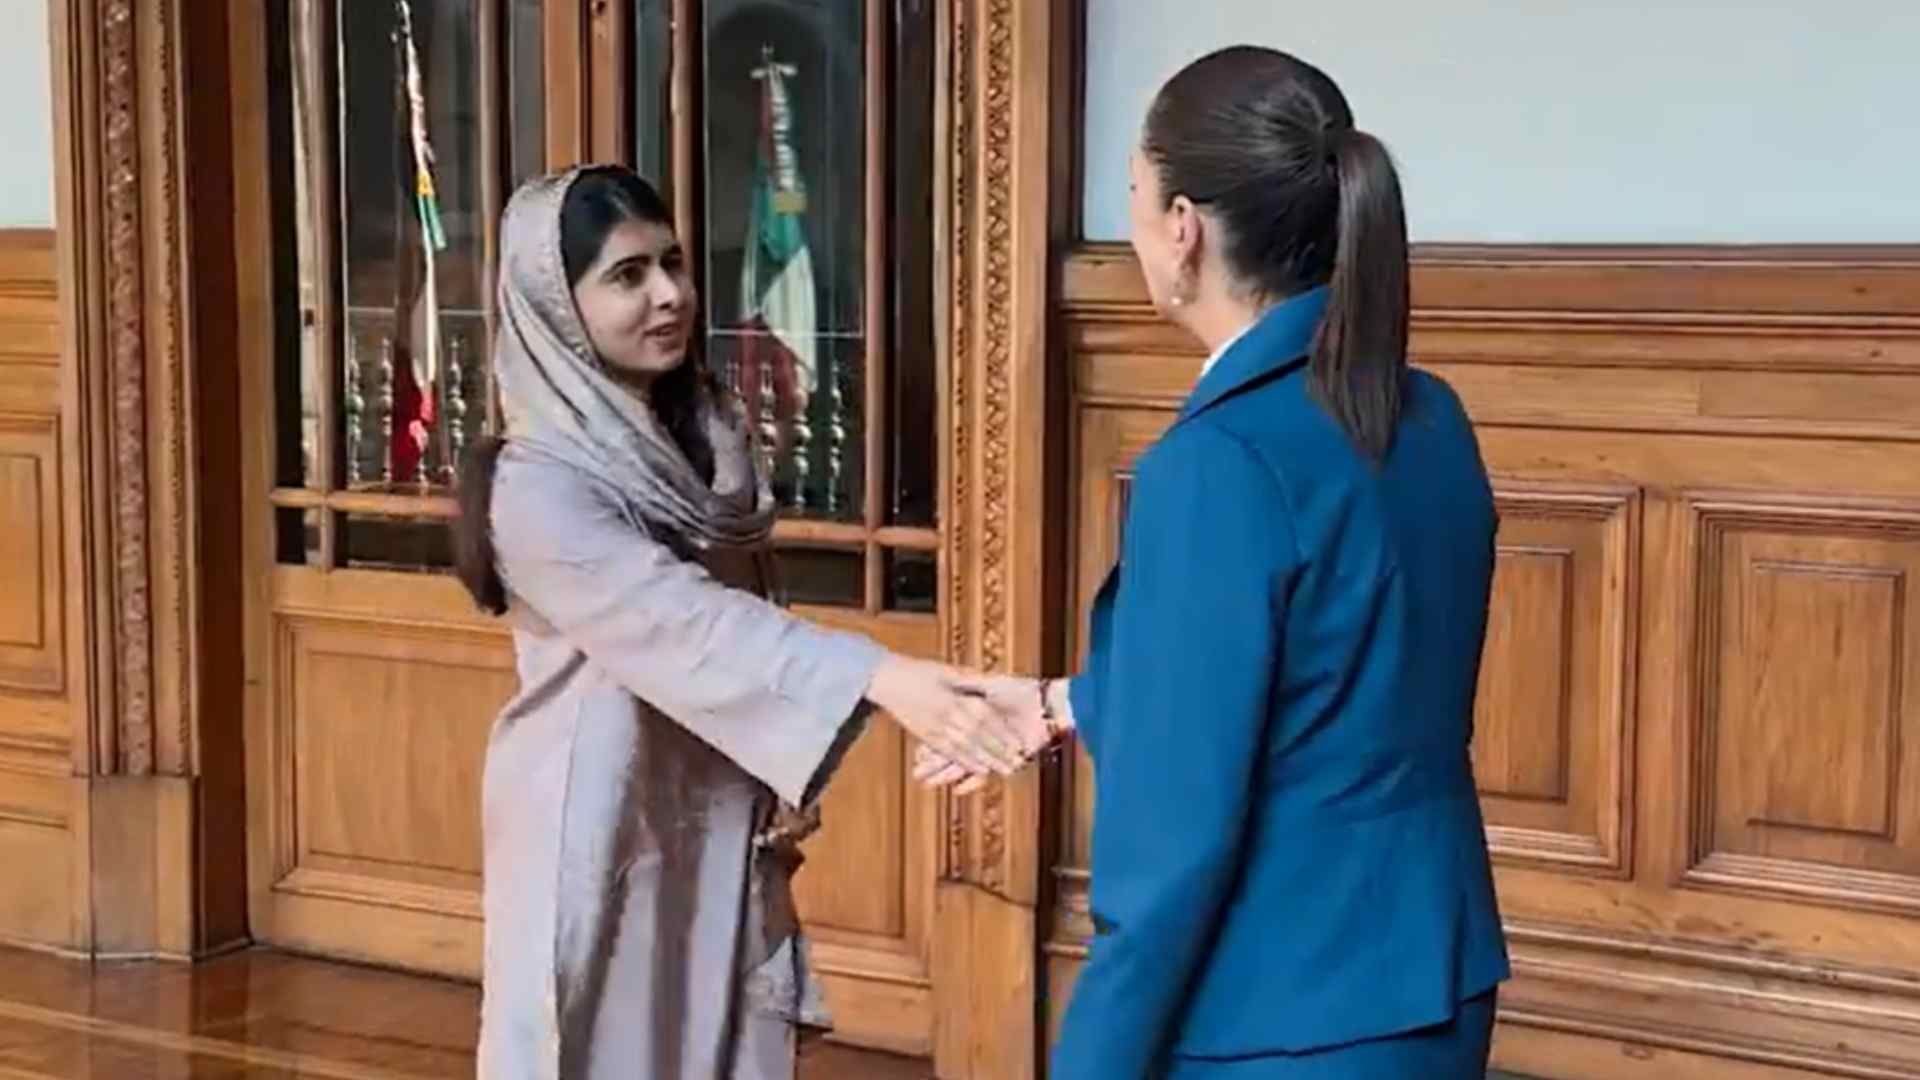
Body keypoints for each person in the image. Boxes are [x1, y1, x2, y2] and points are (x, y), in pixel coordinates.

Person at [919, 45, 1509, 1077]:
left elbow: (1169, 854)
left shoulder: (1218, 462)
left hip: (1279, 1011)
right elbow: (1334, 684)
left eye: (1134, 195)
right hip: (1434, 974)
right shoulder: (1429, 414)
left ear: (1182, 228)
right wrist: (1066, 703)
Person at [453, 165, 1045, 1079]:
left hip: (714, 794)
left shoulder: (710, 428)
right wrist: (885, 678)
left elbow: (750, 603)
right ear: (555, 309)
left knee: (721, 1039)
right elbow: (688, 623)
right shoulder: (534, 486)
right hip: (598, 811)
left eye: (673, 263)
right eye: (627, 276)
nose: (668, 295)